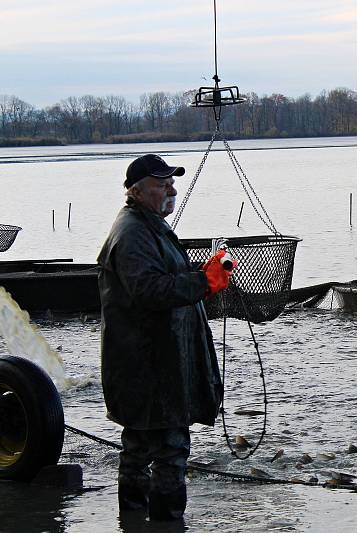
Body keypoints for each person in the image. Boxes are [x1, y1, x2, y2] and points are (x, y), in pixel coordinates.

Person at [97, 154, 233, 520]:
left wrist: (201, 273)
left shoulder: (147, 225)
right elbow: (150, 290)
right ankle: (166, 522)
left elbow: (163, 277)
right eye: (162, 184)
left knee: (142, 448)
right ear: (137, 191)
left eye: (172, 183)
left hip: (154, 365)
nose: (171, 190)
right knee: (168, 450)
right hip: (148, 368)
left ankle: (135, 521)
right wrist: (203, 282)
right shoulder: (131, 233)